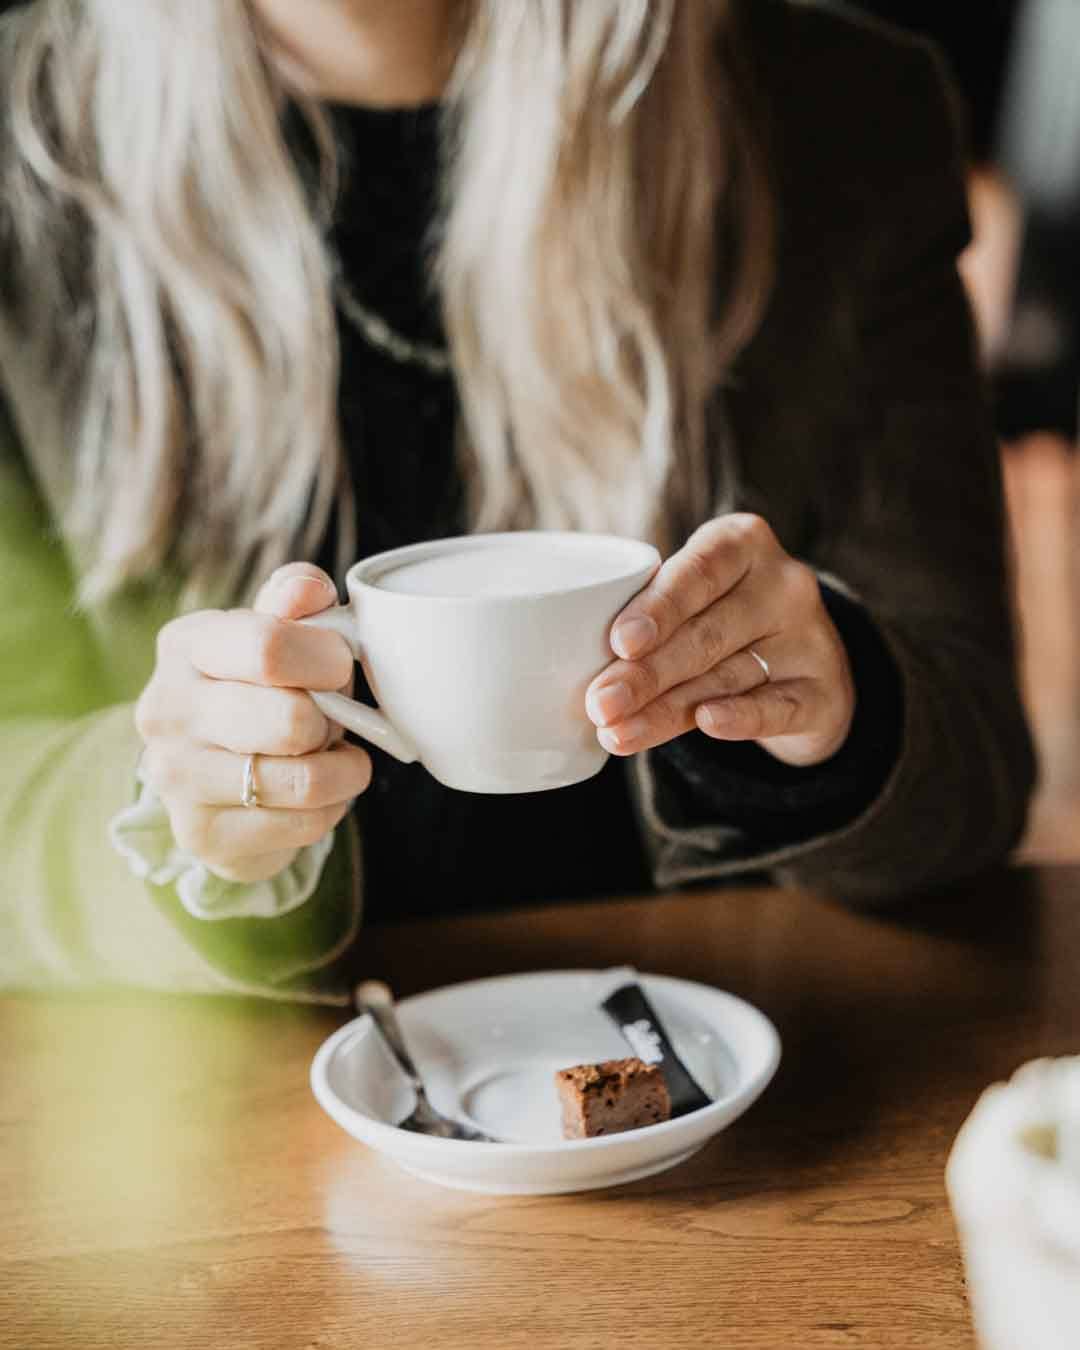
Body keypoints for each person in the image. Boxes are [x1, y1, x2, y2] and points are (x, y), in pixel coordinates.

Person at [0, 0, 1034, 1002]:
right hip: (253, 1078)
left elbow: (978, 772)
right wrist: (162, 806)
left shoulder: (835, 112)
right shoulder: (24, 138)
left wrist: (831, 717)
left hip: (746, 1029)